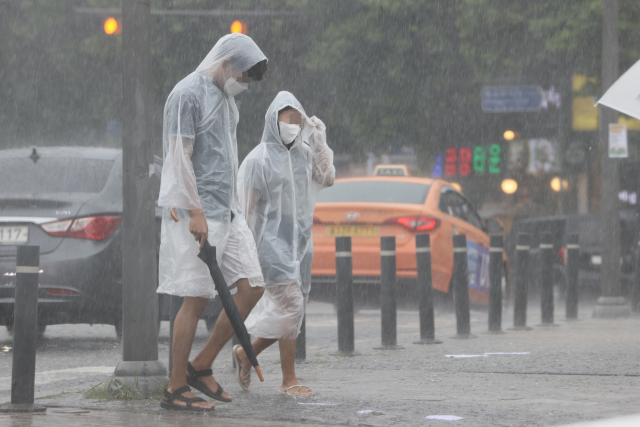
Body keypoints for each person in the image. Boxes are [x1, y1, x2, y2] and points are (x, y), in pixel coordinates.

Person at [157, 33, 268, 412]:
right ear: (225, 64)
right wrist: (195, 210)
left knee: (252, 285)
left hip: (229, 212)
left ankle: (201, 364)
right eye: (242, 75)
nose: (244, 83)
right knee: (195, 298)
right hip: (199, 212)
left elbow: (225, 158)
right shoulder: (186, 94)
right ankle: (175, 388)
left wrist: (234, 208)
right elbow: (179, 158)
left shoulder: (224, 99)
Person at [233, 91, 335, 396]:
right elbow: (246, 208)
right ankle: (288, 379)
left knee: (296, 309)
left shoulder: (304, 154)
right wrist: (246, 251)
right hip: (270, 242)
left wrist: (319, 142)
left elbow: (326, 177)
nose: (291, 125)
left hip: (300, 241)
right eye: (285, 119)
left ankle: (245, 354)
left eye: (296, 120)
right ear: (273, 121)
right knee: (290, 306)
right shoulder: (258, 160)